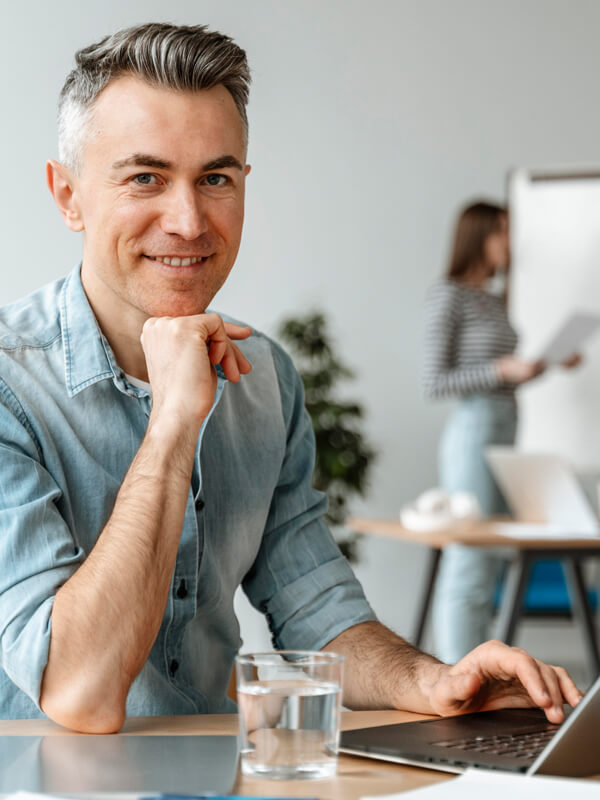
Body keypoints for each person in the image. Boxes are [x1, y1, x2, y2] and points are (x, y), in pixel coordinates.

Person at [0, 25, 581, 734]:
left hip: (213, 774)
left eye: (215, 178)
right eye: (145, 177)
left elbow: (317, 606)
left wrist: (433, 681)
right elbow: (77, 691)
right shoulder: (8, 386)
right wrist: (174, 421)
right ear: (69, 196)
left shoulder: (263, 377)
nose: (188, 221)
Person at [423, 201, 580, 665]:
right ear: (479, 236)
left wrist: (543, 366)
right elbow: (434, 382)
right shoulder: (448, 295)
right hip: (474, 429)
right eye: (502, 231)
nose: (510, 242)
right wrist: (500, 369)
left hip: (506, 425)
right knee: (469, 555)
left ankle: (480, 666)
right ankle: (457, 672)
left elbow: (505, 375)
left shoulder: (493, 299)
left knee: (489, 558)